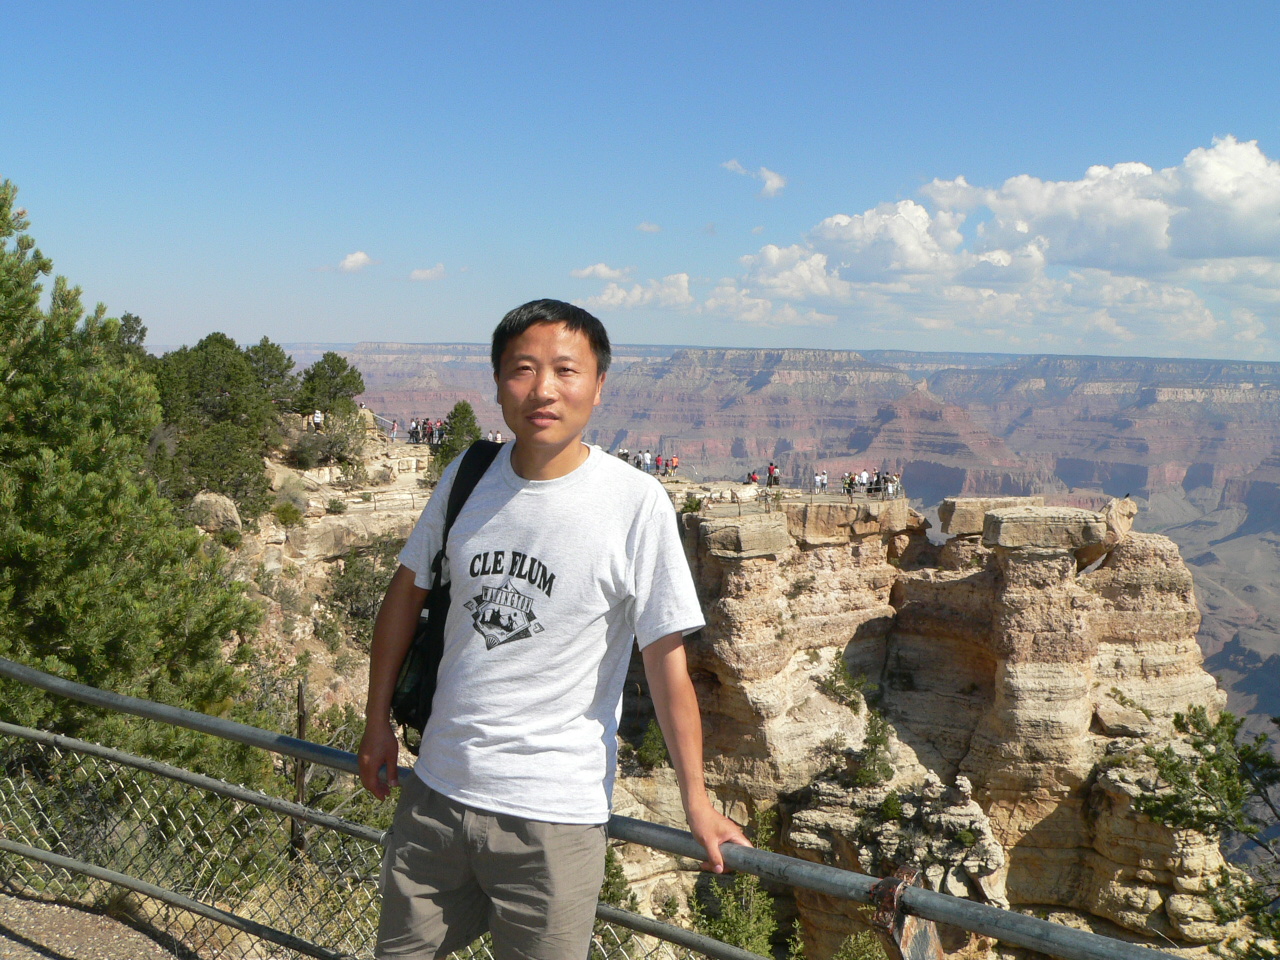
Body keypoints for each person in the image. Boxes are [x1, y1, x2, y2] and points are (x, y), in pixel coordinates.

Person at [358, 299, 748, 960]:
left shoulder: (636, 503)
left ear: (598, 385)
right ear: (497, 382)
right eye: (522, 369)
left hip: (553, 820)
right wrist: (376, 725)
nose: (543, 389)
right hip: (436, 794)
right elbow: (404, 597)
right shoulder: (468, 475)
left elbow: (666, 662)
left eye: (566, 370)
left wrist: (696, 802)